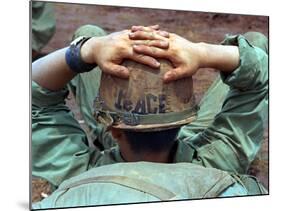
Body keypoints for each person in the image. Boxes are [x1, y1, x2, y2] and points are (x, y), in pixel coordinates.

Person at [32, 25, 268, 208]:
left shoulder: (81, 173)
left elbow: (32, 94)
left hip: (115, 147)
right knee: (255, 43)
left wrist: (86, 50)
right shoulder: (217, 163)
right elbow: (260, 74)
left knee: (88, 34)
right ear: (187, 120)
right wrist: (202, 52)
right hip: (188, 154)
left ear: (112, 130)